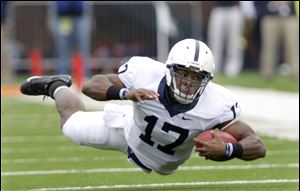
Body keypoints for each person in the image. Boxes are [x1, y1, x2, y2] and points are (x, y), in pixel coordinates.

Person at [20, 39, 266, 175]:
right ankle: (56, 86)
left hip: (165, 160)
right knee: (71, 126)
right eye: (182, 74)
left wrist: (229, 150)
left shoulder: (217, 104)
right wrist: (126, 92)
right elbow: (91, 86)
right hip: (127, 130)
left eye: (196, 77)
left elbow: (257, 145)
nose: (188, 83)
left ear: (207, 81)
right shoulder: (145, 72)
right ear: (169, 69)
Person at [48, 1, 92, 79]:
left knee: (82, 49)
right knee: (63, 50)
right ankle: (63, 76)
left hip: (80, 15)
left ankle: (83, 76)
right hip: (63, 17)